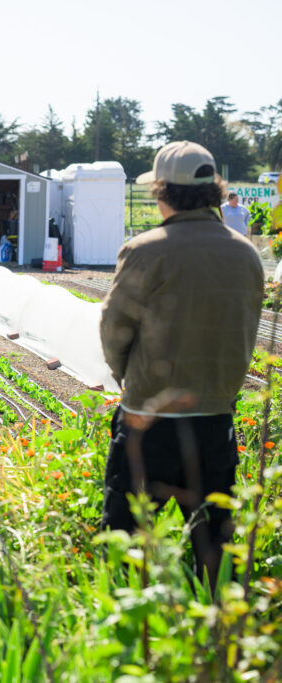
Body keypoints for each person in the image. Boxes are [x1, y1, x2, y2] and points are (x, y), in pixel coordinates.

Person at [100, 141, 262, 587]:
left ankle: (132, 642)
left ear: (161, 191)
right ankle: (214, 644)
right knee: (214, 553)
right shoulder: (245, 253)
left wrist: (129, 381)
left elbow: (114, 334)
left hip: (149, 421)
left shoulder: (146, 250)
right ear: (214, 191)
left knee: (125, 546)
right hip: (215, 420)